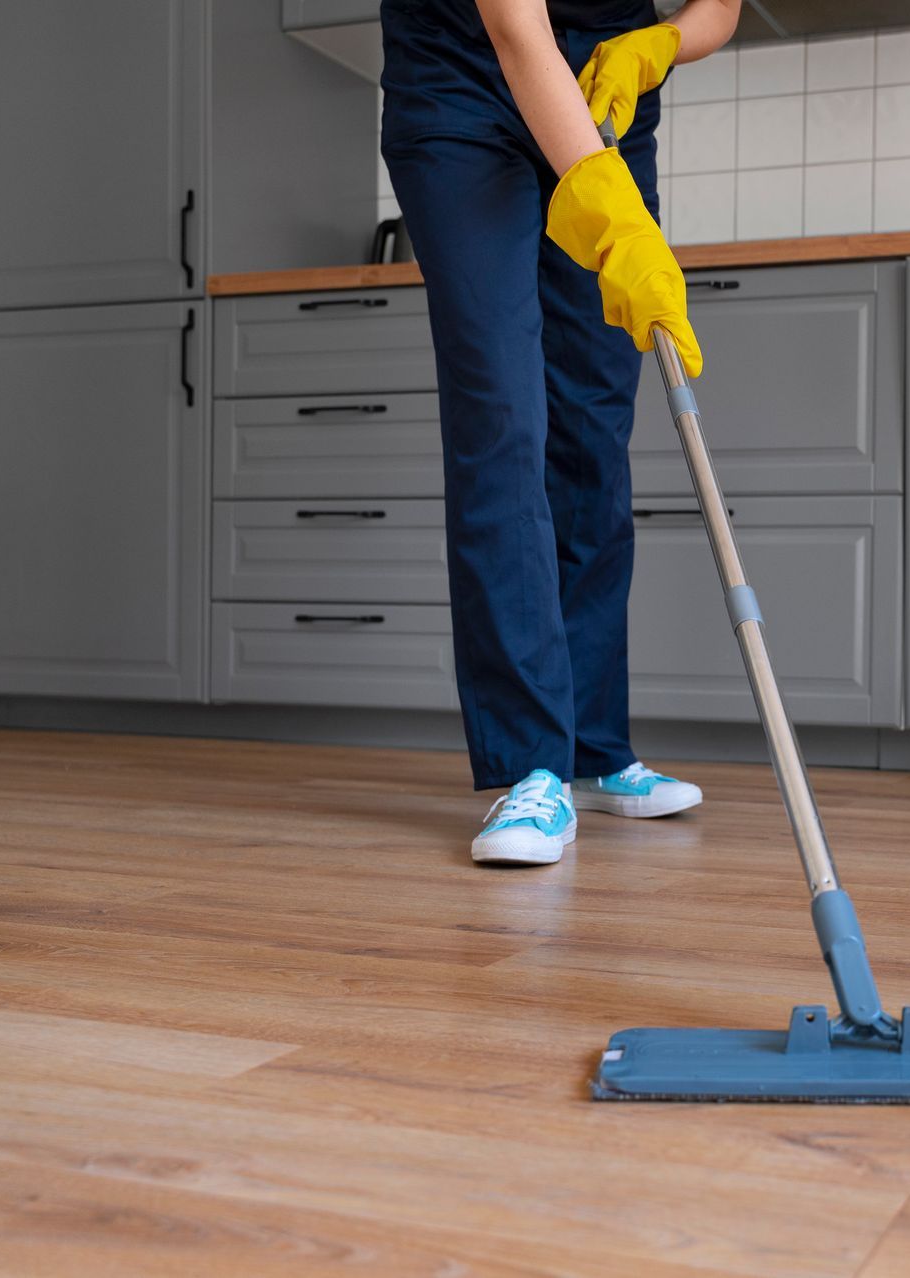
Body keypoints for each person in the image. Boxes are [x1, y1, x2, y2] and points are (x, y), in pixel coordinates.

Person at [379, 0, 741, 865]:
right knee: (502, 415)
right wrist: (615, 222)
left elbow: (720, 9)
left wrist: (659, 46)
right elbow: (514, 27)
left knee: (592, 424)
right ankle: (531, 763)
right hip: (463, 83)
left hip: (601, 87)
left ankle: (591, 748)